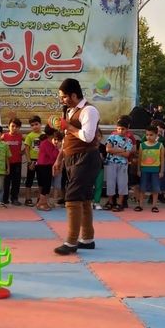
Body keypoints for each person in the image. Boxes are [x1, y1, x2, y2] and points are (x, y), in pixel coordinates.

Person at [53, 78, 101, 255]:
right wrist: (59, 159)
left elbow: (87, 137)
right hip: (72, 158)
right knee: (84, 198)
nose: (62, 100)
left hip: (86, 158)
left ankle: (71, 242)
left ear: (74, 94)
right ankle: (87, 238)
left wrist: (69, 126)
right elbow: (67, 139)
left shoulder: (89, 110)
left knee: (72, 197)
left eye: (64, 96)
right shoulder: (72, 111)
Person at [103, 119, 133, 212]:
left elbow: (127, 154)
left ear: (127, 129)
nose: (120, 131)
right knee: (110, 182)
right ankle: (111, 202)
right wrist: (121, 150)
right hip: (111, 163)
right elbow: (108, 149)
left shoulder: (129, 141)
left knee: (122, 183)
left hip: (123, 164)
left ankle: (120, 203)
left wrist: (115, 150)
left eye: (123, 129)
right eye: (119, 129)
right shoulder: (112, 137)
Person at [136, 126, 165, 213]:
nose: (149, 136)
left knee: (155, 188)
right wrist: (138, 170)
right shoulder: (142, 145)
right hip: (144, 170)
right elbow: (140, 159)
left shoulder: (160, 145)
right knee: (142, 188)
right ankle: (140, 205)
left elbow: (162, 159)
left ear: (156, 135)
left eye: (151, 135)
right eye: (147, 135)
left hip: (155, 170)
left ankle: (154, 205)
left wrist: (161, 171)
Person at [35, 126, 58, 211]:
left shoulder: (46, 142)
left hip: (43, 166)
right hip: (45, 166)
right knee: (46, 186)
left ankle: (42, 203)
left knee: (44, 185)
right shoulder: (47, 143)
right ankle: (41, 203)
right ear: (53, 133)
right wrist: (58, 149)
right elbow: (53, 155)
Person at [2, 118, 23, 206]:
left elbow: (27, 146)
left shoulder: (21, 137)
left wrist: (21, 153)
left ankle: (14, 198)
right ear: (8, 126)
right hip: (6, 163)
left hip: (17, 163)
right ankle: (4, 199)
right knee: (6, 182)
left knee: (16, 182)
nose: (14, 128)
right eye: (12, 126)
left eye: (17, 127)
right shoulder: (4, 136)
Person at [24, 115, 43, 206]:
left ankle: (40, 198)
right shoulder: (29, 136)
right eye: (32, 125)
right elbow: (26, 149)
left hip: (42, 161)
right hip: (32, 160)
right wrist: (29, 162)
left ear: (40, 124)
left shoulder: (44, 136)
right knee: (29, 180)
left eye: (36, 124)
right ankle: (28, 198)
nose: (35, 126)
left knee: (41, 180)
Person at [93, 129, 106, 210]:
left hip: (100, 168)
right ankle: (89, 202)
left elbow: (104, 159)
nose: (97, 138)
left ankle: (96, 202)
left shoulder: (103, 147)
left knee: (99, 185)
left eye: (99, 136)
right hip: (89, 169)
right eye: (95, 136)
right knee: (88, 186)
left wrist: (101, 157)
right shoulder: (88, 146)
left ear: (101, 137)